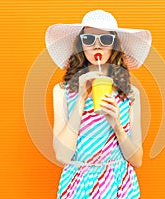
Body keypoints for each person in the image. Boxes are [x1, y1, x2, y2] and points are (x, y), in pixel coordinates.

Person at [45, 9, 151, 199]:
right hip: (78, 185)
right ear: (81, 45)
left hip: (120, 185)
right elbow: (62, 156)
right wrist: (80, 100)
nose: (97, 46)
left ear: (114, 46)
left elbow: (137, 160)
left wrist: (117, 125)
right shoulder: (61, 92)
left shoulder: (130, 94)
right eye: (89, 39)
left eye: (105, 40)